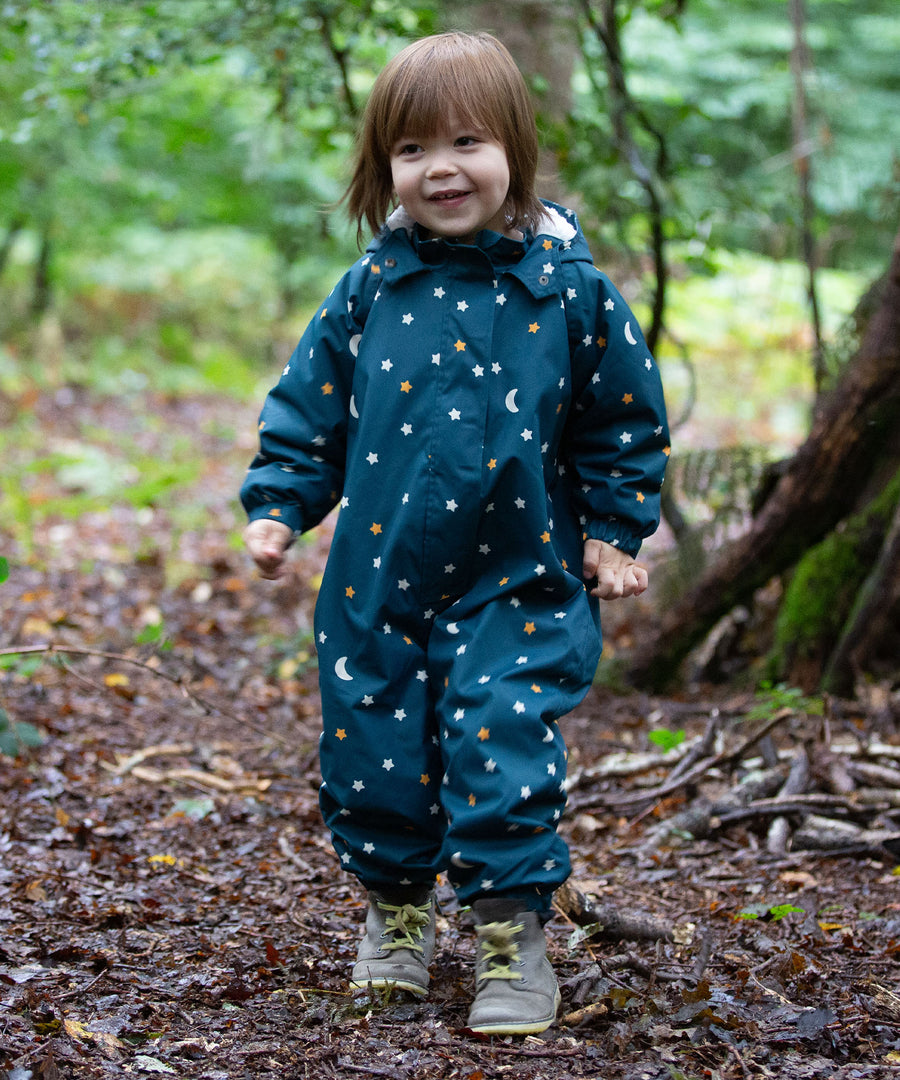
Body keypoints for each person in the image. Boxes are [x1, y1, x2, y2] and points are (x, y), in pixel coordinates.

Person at [241, 30, 669, 1036]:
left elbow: (622, 420)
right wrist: (278, 504)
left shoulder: (568, 291)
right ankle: (395, 914)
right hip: (378, 578)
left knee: (503, 740)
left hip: (520, 571)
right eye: (412, 149)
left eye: (468, 141)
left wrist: (614, 532)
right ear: (383, 168)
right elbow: (311, 411)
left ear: (516, 150)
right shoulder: (369, 292)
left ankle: (512, 933)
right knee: (372, 747)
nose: (441, 167)